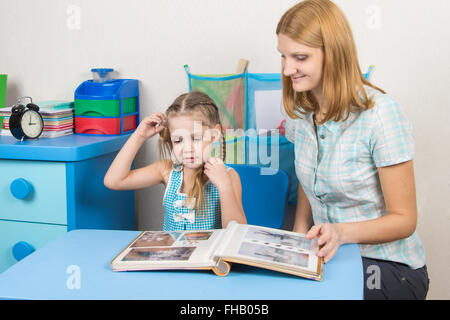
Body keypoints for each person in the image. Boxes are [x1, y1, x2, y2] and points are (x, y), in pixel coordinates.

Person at [277, 0, 429, 299]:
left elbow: (405, 219)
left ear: (333, 55)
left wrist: (342, 232)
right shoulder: (301, 113)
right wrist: (299, 229)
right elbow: (310, 175)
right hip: (330, 255)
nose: (287, 68)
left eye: (300, 57)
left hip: (389, 266)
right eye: (282, 56)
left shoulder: (381, 115)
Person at [104, 91, 247, 231]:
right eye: (178, 140)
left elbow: (237, 233)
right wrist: (139, 135)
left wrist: (224, 186)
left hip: (206, 255)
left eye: (196, 138)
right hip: (172, 255)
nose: (187, 148)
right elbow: (114, 181)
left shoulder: (229, 176)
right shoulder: (166, 170)